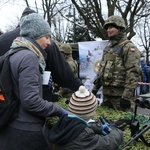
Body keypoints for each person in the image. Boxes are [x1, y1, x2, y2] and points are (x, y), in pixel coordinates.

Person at [0, 13, 67, 150]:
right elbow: (30, 100)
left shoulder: (11, 54)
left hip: (10, 125)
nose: (49, 43)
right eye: (46, 37)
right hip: (25, 132)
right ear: (34, 35)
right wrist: (58, 110)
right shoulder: (29, 57)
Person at [0, 7, 82, 101]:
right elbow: (64, 74)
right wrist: (82, 89)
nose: (48, 42)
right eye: (46, 37)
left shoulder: (2, 39)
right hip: (35, 101)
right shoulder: (42, 45)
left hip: (4, 100)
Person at [44, 85, 123, 150]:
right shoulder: (84, 136)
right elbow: (107, 144)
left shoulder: (63, 121)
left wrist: (98, 128)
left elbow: (76, 127)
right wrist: (116, 131)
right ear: (90, 113)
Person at [92, 15, 141, 111]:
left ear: (120, 28)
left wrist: (126, 97)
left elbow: (133, 73)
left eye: (111, 27)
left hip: (121, 97)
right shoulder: (108, 49)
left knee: (123, 124)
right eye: (107, 28)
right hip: (106, 96)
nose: (108, 30)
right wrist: (94, 90)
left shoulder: (128, 47)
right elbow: (101, 70)